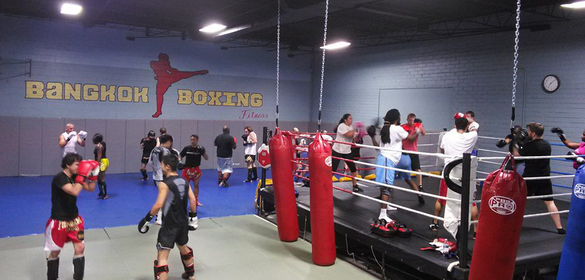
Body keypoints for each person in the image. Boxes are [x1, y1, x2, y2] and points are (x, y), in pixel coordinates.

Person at [138, 154, 197, 280]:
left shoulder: (164, 184)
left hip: (169, 225)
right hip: (182, 223)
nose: (161, 167)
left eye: (162, 164)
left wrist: (146, 219)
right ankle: (191, 276)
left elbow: (158, 204)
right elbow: (192, 201)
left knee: (162, 256)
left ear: (168, 166)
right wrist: (193, 219)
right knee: (184, 248)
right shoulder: (184, 181)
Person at [44, 154, 99, 280]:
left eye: (80, 164)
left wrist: (94, 176)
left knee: (80, 247)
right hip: (59, 221)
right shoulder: (60, 178)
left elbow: (90, 188)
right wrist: (84, 174)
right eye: (77, 164)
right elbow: (74, 191)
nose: (79, 167)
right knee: (55, 251)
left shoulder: (76, 176)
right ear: (68, 164)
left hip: (74, 220)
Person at [430, 116, 478, 233]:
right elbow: (475, 127)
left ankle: (435, 223)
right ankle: (476, 231)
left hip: (449, 173)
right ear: (466, 126)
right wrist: (469, 120)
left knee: (442, 199)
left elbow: (442, 149)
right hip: (465, 173)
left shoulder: (448, 135)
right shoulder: (471, 136)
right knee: (470, 201)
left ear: (455, 125)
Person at [515, 123, 565, 234]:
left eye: (528, 131)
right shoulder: (547, 145)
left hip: (530, 178)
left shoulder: (529, 146)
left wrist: (517, 141)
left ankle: (511, 224)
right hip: (544, 177)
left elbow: (517, 154)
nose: (527, 133)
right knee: (550, 202)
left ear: (533, 133)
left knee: (518, 201)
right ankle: (560, 227)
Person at [374, 109, 418, 225]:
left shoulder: (385, 129)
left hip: (385, 159)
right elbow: (410, 138)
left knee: (385, 185)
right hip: (388, 160)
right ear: (396, 118)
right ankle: (383, 214)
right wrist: (417, 130)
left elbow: (379, 146)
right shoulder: (397, 129)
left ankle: (386, 206)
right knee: (387, 186)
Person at [150, 53, 208, 118]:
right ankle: (158, 111)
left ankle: (199, 72)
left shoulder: (160, 63)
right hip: (164, 80)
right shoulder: (155, 63)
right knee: (159, 94)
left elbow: (170, 70)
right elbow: (166, 69)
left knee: (183, 74)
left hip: (167, 79)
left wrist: (162, 74)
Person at [149, 134, 182, 225]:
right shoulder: (166, 151)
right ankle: (163, 217)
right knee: (167, 197)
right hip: (164, 177)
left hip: (156, 177)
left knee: (162, 196)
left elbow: (150, 163)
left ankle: (159, 218)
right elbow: (169, 164)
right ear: (168, 142)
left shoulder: (154, 150)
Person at [180, 134, 208, 228]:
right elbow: (180, 155)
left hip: (196, 169)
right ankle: (183, 201)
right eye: (191, 139)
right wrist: (179, 161)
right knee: (185, 187)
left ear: (197, 140)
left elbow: (206, 158)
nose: (192, 141)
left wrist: (203, 151)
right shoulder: (186, 148)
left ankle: (195, 201)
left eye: (194, 140)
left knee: (196, 185)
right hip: (187, 169)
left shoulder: (200, 148)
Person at [331, 114, 363, 192]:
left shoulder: (351, 128)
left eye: (352, 118)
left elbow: (354, 139)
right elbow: (348, 134)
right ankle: (325, 185)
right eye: (350, 119)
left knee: (353, 169)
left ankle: (355, 185)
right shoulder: (342, 126)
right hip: (337, 150)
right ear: (345, 120)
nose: (351, 120)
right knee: (333, 170)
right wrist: (356, 128)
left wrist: (360, 134)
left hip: (347, 151)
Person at [401, 113, 426, 203]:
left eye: (413, 119)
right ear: (407, 119)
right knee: (400, 171)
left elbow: (424, 133)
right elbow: (407, 138)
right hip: (403, 151)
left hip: (413, 151)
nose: (411, 121)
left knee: (417, 169)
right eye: (410, 119)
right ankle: (389, 187)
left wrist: (419, 129)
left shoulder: (417, 125)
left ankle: (420, 186)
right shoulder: (403, 127)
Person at [92, 133, 109, 200]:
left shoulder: (99, 146)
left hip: (102, 162)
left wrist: (97, 164)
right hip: (103, 161)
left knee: (101, 178)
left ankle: (105, 194)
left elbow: (99, 156)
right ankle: (101, 192)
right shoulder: (102, 144)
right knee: (98, 178)